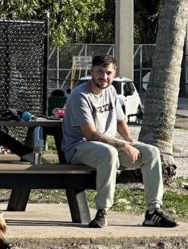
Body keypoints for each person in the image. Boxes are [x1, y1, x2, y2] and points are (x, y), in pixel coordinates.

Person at [61, 55, 177, 229]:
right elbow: (91, 134)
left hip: (108, 146)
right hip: (79, 148)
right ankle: (102, 211)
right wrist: (123, 145)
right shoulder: (80, 96)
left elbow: (120, 121)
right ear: (91, 71)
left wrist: (131, 142)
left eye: (108, 73)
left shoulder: (111, 91)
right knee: (109, 153)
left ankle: (153, 212)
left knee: (151, 152)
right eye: (100, 71)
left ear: (114, 74)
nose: (104, 77)